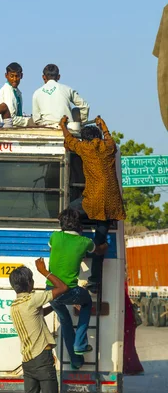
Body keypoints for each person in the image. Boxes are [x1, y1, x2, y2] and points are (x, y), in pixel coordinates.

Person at [10, 259, 68, 393]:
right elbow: (63, 287)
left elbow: (38, 314)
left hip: (27, 362)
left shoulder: (15, 306)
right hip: (42, 361)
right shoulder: (33, 300)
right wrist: (45, 271)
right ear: (29, 284)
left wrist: (53, 306)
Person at [60, 115, 126, 293]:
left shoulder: (85, 147)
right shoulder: (108, 147)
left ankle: (75, 243)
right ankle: (95, 281)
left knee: (67, 215)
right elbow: (109, 137)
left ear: (85, 138)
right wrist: (103, 125)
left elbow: (69, 140)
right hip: (111, 203)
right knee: (100, 243)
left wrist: (63, 125)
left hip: (92, 199)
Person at [48, 209, 107, 369]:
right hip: (69, 291)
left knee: (65, 321)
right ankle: (80, 344)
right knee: (87, 302)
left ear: (62, 224)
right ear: (79, 225)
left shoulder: (54, 236)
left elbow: (53, 250)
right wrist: (104, 246)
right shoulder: (84, 242)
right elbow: (98, 250)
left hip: (51, 292)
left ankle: (76, 361)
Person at [0, 62, 35, 128]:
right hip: (6, 126)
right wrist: (28, 121)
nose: (14, 79)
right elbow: (12, 119)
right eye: (12, 76)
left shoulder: (17, 92)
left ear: (21, 76)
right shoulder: (7, 91)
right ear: (6, 76)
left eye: (17, 76)